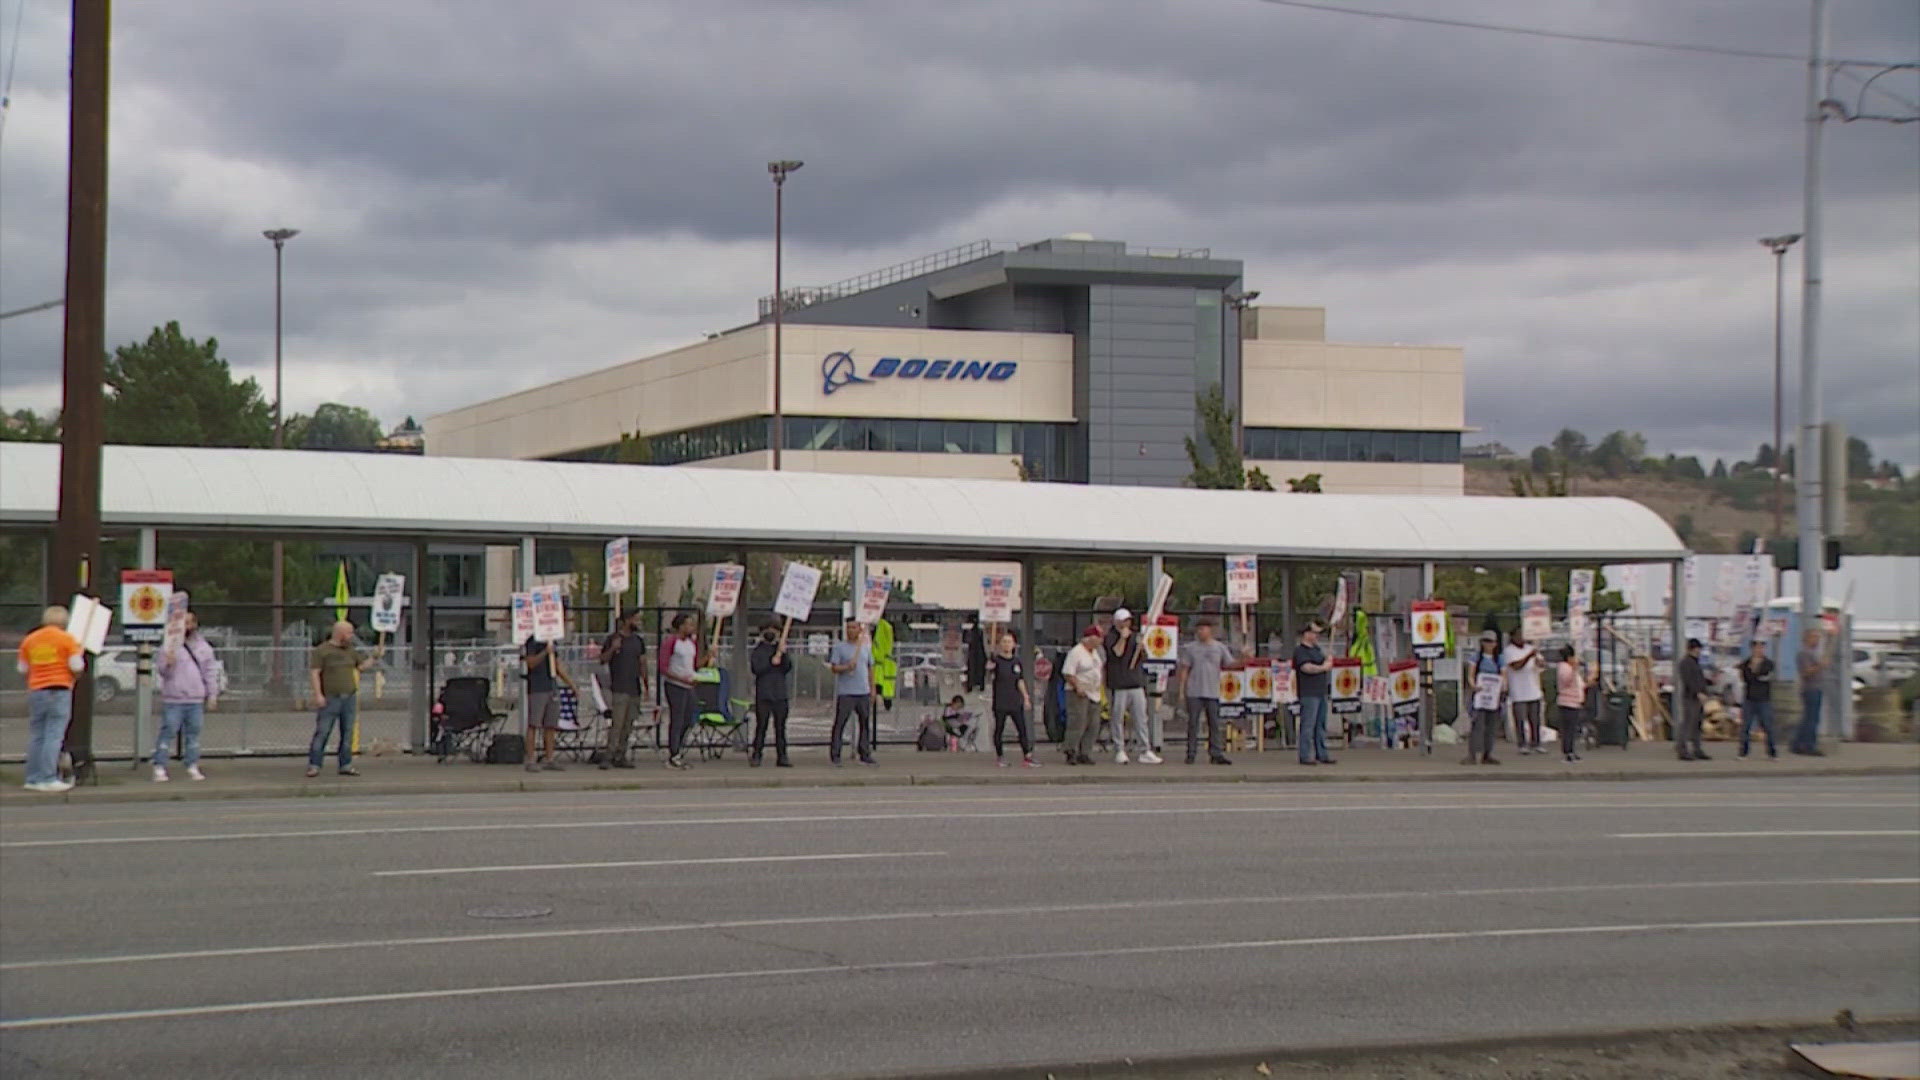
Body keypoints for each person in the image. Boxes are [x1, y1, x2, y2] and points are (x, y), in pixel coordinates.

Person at [17, 606, 82, 793]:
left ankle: (32, 778)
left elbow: (22, 668)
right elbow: (76, 666)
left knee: (37, 735)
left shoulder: (30, 640)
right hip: (59, 689)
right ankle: (48, 777)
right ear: (64, 622)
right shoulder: (67, 639)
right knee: (54, 735)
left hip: (37, 690)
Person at [307, 620, 381, 778]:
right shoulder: (322, 651)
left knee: (347, 732)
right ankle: (314, 764)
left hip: (349, 697)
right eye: (349, 632)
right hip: (330, 698)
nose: (351, 636)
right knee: (323, 732)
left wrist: (374, 657)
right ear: (339, 633)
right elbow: (315, 673)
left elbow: (361, 667)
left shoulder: (351, 651)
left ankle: (345, 764)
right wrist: (318, 694)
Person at [153, 611, 219, 782]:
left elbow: (210, 672)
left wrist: (212, 695)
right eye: (184, 623)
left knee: (193, 735)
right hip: (174, 698)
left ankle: (192, 765)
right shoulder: (169, 646)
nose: (187, 627)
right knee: (168, 732)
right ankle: (160, 766)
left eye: (190, 623)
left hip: (195, 699)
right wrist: (168, 663)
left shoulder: (204, 648)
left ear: (195, 625)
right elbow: (162, 671)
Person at [1178, 618, 1238, 765]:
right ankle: (1191, 753)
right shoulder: (1190, 648)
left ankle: (1216, 753)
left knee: (1215, 723)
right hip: (1195, 691)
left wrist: (1244, 658)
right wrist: (1182, 690)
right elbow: (1185, 669)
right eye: (1198, 629)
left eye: (1203, 629)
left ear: (1210, 630)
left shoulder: (1219, 648)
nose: (1200, 632)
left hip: (1212, 691)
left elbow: (1230, 664)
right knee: (1193, 723)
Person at [1103, 608, 1158, 764]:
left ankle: (1144, 749)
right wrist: (1123, 638)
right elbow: (1117, 653)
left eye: (1127, 620)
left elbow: (1144, 656)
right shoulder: (1110, 637)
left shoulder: (1135, 637)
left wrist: (1142, 646)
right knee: (1118, 718)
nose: (1125, 624)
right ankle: (1119, 749)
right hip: (1118, 685)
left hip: (1136, 683)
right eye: (1122, 621)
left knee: (1141, 718)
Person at [598, 608, 648, 769]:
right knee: (617, 724)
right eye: (636, 619)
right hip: (619, 687)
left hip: (634, 688)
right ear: (627, 620)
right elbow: (602, 659)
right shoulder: (613, 639)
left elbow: (642, 663)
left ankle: (621, 754)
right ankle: (609, 755)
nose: (638, 622)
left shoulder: (638, 641)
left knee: (628, 724)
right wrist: (613, 648)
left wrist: (646, 685)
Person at [521, 636, 576, 772]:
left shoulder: (552, 641)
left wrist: (572, 685)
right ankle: (531, 759)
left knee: (550, 725)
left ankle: (549, 758)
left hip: (552, 687)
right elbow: (531, 663)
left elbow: (556, 666)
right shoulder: (532, 641)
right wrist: (545, 652)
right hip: (537, 687)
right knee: (534, 724)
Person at [829, 619, 878, 765]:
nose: (850, 630)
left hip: (862, 692)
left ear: (859, 630)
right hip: (846, 693)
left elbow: (870, 669)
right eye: (848, 628)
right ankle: (835, 754)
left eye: (853, 628)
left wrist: (873, 689)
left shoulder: (865, 647)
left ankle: (864, 752)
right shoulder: (840, 648)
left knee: (864, 723)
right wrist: (845, 668)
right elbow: (834, 668)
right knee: (840, 724)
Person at [988, 631, 1039, 768]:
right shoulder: (996, 661)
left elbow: (1019, 680)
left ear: (1014, 645)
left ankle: (1027, 756)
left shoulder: (1017, 662)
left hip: (1015, 700)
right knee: (999, 729)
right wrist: (990, 666)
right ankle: (1000, 756)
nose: (1006, 644)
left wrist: (1026, 697)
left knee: (1022, 729)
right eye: (1004, 641)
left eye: (1009, 642)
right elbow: (989, 673)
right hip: (1000, 701)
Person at [749, 623, 793, 767]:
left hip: (780, 693)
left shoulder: (779, 649)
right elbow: (757, 669)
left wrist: (783, 654)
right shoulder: (758, 651)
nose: (771, 632)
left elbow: (787, 668)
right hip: (764, 694)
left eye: (774, 630)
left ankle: (782, 756)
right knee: (762, 726)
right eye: (768, 629)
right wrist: (771, 661)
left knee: (780, 727)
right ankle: (757, 754)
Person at [1060, 624, 1105, 765]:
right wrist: (1077, 686)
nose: (1100, 640)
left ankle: (1085, 752)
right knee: (1078, 722)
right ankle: (1070, 750)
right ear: (1089, 638)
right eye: (1098, 637)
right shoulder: (1076, 652)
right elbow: (1068, 672)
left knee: (1093, 724)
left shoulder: (1095, 653)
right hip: (1078, 692)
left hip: (1094, 692)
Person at [1293, 622, 1336, 766]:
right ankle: (1305, 755)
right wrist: (1323, 667)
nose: (1316, 635)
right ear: (1306, 634)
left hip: (1320, 691)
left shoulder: (1317, 649)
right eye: (1313, 632)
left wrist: (1328, 661)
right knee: (1308, 725)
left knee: (1320, 725)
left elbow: (1324, 662)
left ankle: (1321, 753)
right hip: (1308, 692)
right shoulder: (1300, 651)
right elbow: (1306, 668)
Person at [662, 612, 700, 770]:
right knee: (677, 719)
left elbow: (695, 665)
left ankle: (679, 747)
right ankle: (673, 753)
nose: (691, 627)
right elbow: (663, 667)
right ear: (680, 626)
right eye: (689, 624)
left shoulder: (691, 643)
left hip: (689, 685)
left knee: (689, 718)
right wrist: (680, 679)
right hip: (675, 685)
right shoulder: (671, 642)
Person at [1463, 630, 1504, 766]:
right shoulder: (1476, 658)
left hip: (1494, 697)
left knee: (1491, 727)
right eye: (1486, 641)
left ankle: (1487, 754)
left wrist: (1503, 687)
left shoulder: (1499, 659)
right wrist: (1474, 686)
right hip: (1480, 696)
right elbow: (1471, 674)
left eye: (1491, 641)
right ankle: (1472, 754)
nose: (1488, 644)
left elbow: (1503, 675)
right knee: (1477, 725)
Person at [1504, 627, 1545, 754]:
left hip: (1533, 689)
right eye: (1518, 635)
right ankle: (1522, 744)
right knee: (1520, 720)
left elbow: (1542, 665)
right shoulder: (1509, 651)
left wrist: (1538, 661)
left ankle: (1536, 743)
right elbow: (1516, 666)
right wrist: (1529, 656)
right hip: (1518, 692)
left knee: (1535, 719)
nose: (1521, 638)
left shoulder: (1530, 648)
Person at [1737, 639, 1778, 760]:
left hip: (1764, 699)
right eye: (1756, 648)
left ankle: (1772, 752)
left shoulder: (1768, 663)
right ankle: (1743, 752)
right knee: (1746, 726)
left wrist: (1755, 673)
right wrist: (1754, 673)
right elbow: (1746, 678)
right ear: (1752, 649)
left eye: (1761, 647)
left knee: (1768, 726)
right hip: (1749, 698)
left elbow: (1765, 675)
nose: (1759, 650)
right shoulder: (1746, 663)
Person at [1792, 628, 1827, 756]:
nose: (1817, 640)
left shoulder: (1813, 653)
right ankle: (1809, 745)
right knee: (1812, 719)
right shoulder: (1804, 653)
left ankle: (1797, 743)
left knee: (1808, 718)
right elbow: (1806, 672)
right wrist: (1820, 666)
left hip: (1816, 687)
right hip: (1810, 688)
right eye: (1814, 637)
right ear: (1807, 638)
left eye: (1818, 637)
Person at [1675, 637, 1711, 762]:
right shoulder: (1685, 663)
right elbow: (1689, 680)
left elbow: (1699, 680)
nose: (1699, 651)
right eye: (1697, 649)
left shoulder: (1695, 662)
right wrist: (1698, 693)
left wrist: (1706, 688)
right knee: (1688, 723)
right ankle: (1682, 749)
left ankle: (1697, 749)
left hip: (1698, 697)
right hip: (1690, 697)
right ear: (1692, 649)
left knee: (1697, 724)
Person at [1554, 645, 1588, 763]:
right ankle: (1567, 752)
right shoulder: (1564, 668)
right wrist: (1574, 669)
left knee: (1572, 730)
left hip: (1575, 702)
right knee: (1568, 729)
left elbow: (1579, 684)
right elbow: (1567, 681)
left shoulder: (1570, 668)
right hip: (1567, 702)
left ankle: (1571, 751)